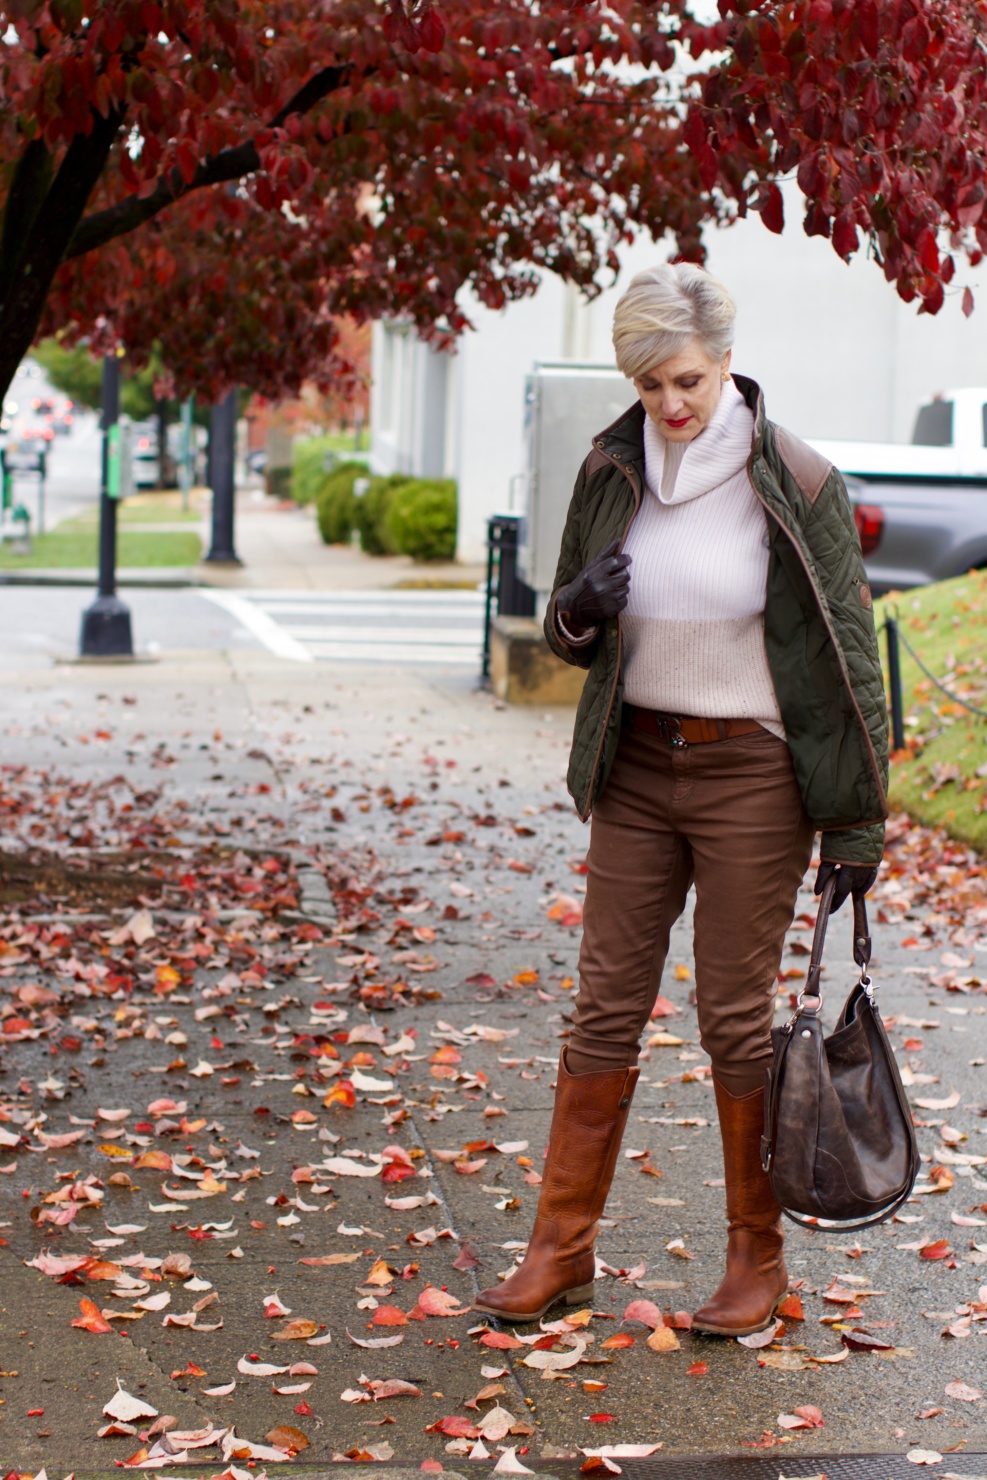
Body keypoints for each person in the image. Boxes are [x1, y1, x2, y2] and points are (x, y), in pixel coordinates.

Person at [475, 263, 889, 1336]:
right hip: (638, 766)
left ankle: (758, 1261)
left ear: (727, 361)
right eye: (652, 382)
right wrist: (574, 606)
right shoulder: (613, 467)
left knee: (733, 1018)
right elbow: (572, 629)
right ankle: (560, 1250)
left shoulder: (793, 479)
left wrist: (855, 822)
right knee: (603, 1002)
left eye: (689, 379)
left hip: (751, 772)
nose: (671, 404)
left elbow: (850, 653)